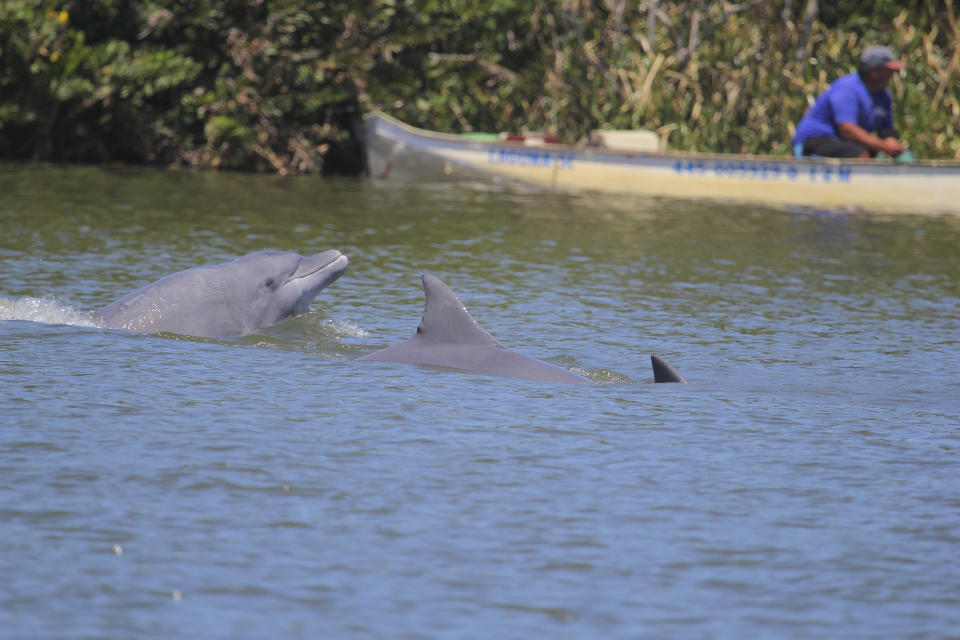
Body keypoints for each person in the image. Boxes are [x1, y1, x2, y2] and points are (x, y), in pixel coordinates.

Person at [793, 45, 907, 159]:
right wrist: (884, 147)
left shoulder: (884, 96)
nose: (892, 75)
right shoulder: (847, 89)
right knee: (860, 155)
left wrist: (891, 142)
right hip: (814, 140)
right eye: (889, 71)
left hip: (844, 142)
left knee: (897, 158)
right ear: (874, 71)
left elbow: (886, 130)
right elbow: (847, 130)